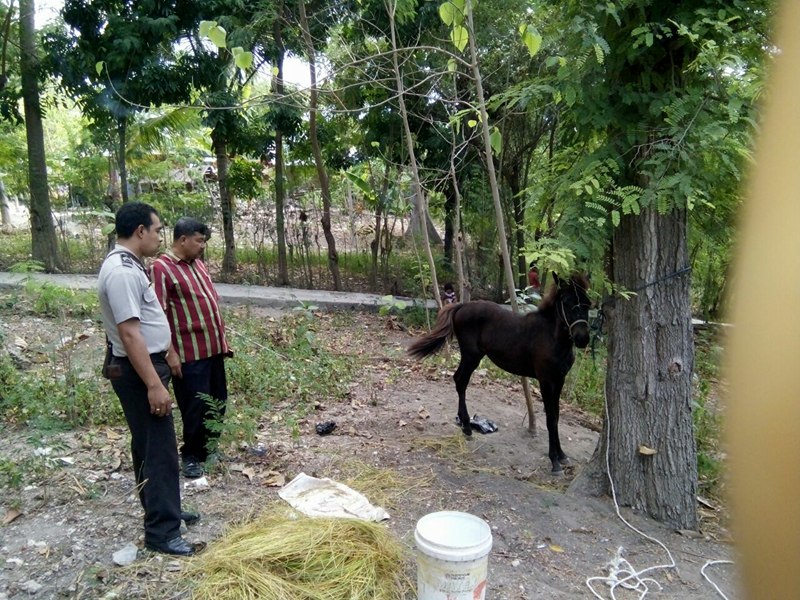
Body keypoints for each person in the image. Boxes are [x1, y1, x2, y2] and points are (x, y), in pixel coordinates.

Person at [98, 202, 198, 556]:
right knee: (159, 451)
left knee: (148, 445)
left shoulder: (130, 265)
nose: (159, 237)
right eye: (156, 230)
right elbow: (129, 334)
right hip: (140, 371)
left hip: (150, 363)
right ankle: (162, 532)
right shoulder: (123, 272)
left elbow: (148, 319)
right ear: (140, 230)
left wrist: (168, 351)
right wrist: (154, 385)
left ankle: (164, 508)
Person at [151, 217, 231, 479]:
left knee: (218, 400)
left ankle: (210, 448)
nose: (202, 246)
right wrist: (169, 351)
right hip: (188, 352)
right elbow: (159, 313)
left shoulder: (197, 264)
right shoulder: (162, 268)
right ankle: (192, 454)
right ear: (182, 239)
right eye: (199, 241)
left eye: (204, 241)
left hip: (213, 347)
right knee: (194, 405)